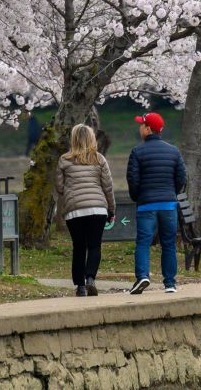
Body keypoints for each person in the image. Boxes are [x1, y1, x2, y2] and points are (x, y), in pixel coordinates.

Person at [126, 112, 186, 294]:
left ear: (148, 129)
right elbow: (181, 177)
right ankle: (170, 283)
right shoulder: (174, 151)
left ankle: (143, 276)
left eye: (141, 125)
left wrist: (138, 196)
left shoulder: (137, 151)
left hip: (146, 204)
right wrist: (171, 193)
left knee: (143, 242)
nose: (140, 127)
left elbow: (133, 179)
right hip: (168, 204)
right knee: (168, 243)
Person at [55, 124, 116, 296]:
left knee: (79, 246)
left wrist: (69, 193)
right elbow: (108, 187)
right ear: (92, 139)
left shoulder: (64, 160)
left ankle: (80, 286)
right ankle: (90, 278)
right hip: (97, 208)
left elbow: (59, 186)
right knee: (95, 245)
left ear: (73, 139)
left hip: (75, 210)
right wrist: (111, 209)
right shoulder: (99, 159)